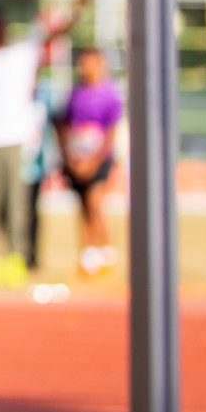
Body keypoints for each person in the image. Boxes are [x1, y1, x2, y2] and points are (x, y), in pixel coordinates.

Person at [0, 0, 85, 287]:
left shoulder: (22, 52)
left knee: (17, 202)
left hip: (15, 138)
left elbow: (57, 33)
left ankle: (15, 257)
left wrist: (76, 6)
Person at [55, 47, 123, 276]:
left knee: (95, 201)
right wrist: (69, 156)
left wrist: (94, 160)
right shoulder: (76, 93)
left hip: (99, 157)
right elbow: (64, 125)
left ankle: (106, 249)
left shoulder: (110, 94)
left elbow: (111, 130)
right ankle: (88, 254)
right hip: (77, 156)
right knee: (83, 205)